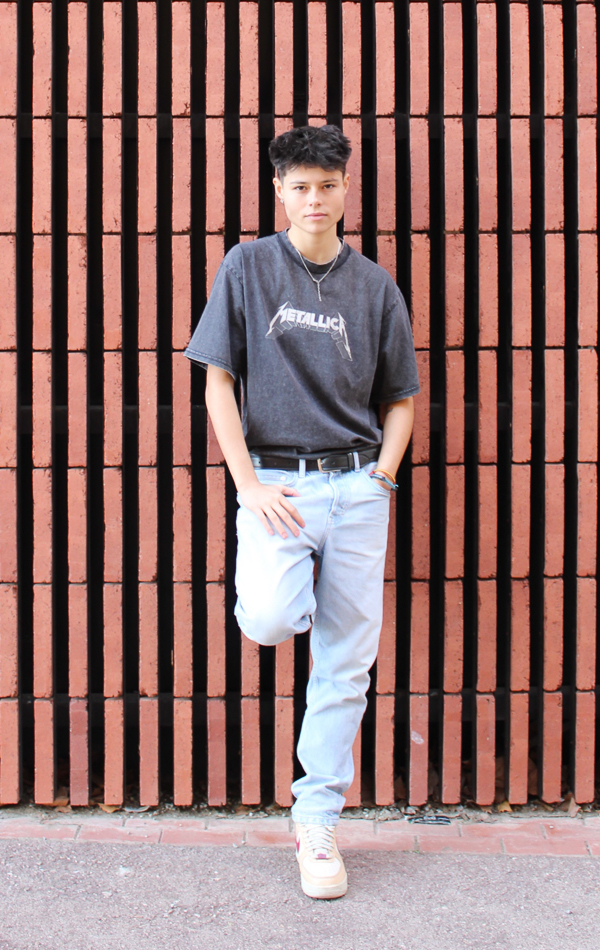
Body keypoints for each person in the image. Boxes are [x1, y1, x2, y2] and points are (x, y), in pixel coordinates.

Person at [184, 124, 419, 899]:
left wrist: (383, 478)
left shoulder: (375, 287)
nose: (314, 198)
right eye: (300, 187)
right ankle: (301, 592)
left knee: (346, 663)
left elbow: (401, 398)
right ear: (280, 192)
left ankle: (316, 823)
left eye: (327, 185)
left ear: (346, 190)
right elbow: (218, 382)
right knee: (270, 618)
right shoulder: (248, 267)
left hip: (356, 490)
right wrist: (247, 486)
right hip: (277, 489)